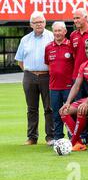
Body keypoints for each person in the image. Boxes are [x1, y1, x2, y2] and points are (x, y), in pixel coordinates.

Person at [15, 11, 54, 145]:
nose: (39, 24)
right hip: (29, 75)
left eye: (41, 22)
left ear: (45, 22)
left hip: (47, 76)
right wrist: (30, 71)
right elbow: (20, 60)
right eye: (36, 22)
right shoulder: (25, 39)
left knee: (49, 108)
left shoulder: (51, 37)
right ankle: (32, 137)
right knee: (31, 109)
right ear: (31, 24)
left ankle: (50, 137)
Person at [44, 21, 74, 141]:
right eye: (55, 31)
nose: (57, 33)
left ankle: (72, 137)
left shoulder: (70, 45)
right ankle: (58, 138)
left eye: (59, 30)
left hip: (68, 86)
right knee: (56, 114)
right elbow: (48, 65)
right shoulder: (48, 47)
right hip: (54, 86)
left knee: (69, 113)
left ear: (65, 31)